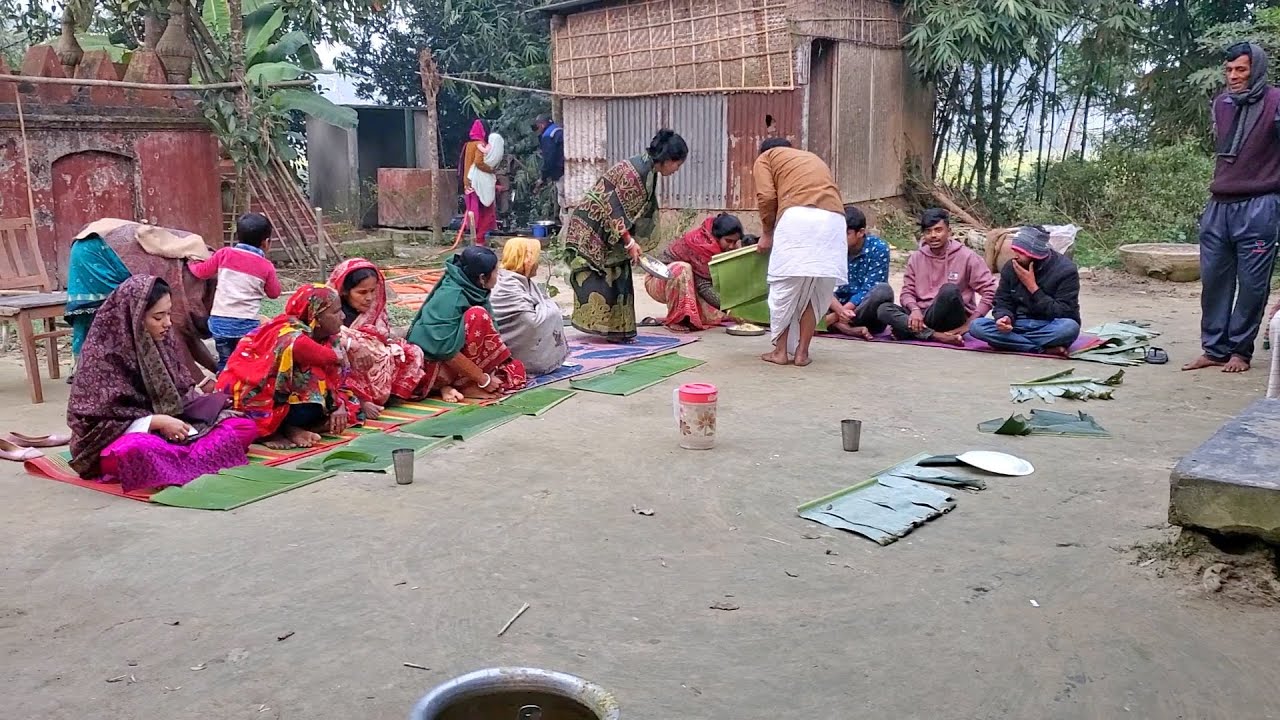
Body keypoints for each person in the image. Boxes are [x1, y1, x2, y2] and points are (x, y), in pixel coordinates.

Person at [67, 275, 257, 490]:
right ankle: (184, 462)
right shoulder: (102, 356)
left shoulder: (163, 342)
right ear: (135, 318)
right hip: (125, 439)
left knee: (243, 426)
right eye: (158, 317)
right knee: (135, 450)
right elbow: (92, 422)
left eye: (168, 314)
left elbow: (182, 394)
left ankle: (170, 467)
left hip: (175, 434)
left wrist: (206, 404)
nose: (167, 323)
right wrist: (155, 422)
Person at [1184, 43, 1280, 374]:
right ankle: (1214, 349)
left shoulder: (1276, 102)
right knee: (1213, 280)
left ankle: (1240, 351)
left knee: (1252, 284)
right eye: (1229, 70)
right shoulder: (1221, 104)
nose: (1234, 76)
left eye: (1241, 69)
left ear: (1256, 70)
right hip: (1219, 205)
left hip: (1260, 204)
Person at [563, 129, 688, 341]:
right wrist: (630, 242)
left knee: (619, 273)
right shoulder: (637, 172)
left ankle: (616, 330)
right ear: (668, 160)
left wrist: (630, 241)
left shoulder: (648, 169)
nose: (677, 169)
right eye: (678, 164)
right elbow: (614, 207)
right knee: (604, 275)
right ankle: (602, 327)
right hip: (593, 225)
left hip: (609, 227)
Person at [66, 219, 218, 381]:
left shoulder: (205, 269)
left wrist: (219, 370)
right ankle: (89, 374)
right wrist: (204, 382)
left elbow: (187, 335)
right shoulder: (187, 278)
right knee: (113, 320)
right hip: (100, 251)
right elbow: (175, 335)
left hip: (103, 241)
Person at [217, 284, 359, 449]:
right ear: (315, 317)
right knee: (312, 374)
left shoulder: (328, 337)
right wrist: (343, 353)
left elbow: (339, 378)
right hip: (248, 394)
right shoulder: (288, 332)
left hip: (283, 399)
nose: (342, 316)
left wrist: (339, 404)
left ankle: (293, 427)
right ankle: (272, 430)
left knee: (349, 407)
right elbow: (324, 356)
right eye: (335, 312)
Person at [752, 138, 847, 367]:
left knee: (784, 288)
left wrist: (767, 233)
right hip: (834, 221)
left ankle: (781, 352)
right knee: (815, 289)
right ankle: (802, 353)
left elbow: (766, 196)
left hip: (797, 219)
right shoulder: (810, 158)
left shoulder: (766, 158)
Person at [407, 246, 528, 400]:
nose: (498, 276)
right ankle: (465, 385)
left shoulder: (472, 288)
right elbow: (444, 350)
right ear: (482, 278)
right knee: (478, 316)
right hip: (431, 365)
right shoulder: (451, 297)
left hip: (451, 357)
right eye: (496, 272)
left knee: (514, 372)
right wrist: (483, 380)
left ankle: (455, 385)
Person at [328, 258, 433, 418]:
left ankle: (388, 395)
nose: (369, 298)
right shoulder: (330, 312)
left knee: (410, 352)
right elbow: (328, 337)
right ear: (343, 291)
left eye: (372, 291)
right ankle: (359, 399)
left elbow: (382, 336)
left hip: (372, 362)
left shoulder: (374, 311)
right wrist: (352, 343)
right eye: (362, 292)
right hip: (346, 365)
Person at [877, 209, 997, 346]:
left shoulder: (967, 256)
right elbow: (906, 292)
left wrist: (970, 323)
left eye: (938, 230)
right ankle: (937, 336)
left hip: (952, 317)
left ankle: (909, 330)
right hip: (923, 315)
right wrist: (914, 310)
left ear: (949, 231)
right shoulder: (916, 258)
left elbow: (990, 290)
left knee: (949, 290)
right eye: (928, 231)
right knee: (883, 309)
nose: (933, 235)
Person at [188, 212, 282, 372]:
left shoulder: (224, 254)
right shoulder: (266, 266)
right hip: (246, 327)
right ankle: (244, 390)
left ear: (237, 235)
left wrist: (191, 263)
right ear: (266, 243)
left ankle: (224, 389)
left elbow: (201, 272)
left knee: (226, 362)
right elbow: (274, 293)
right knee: (246, 363)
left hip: (219, 324)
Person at [969, 225, 1082, 355]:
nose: (1015, 255)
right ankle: (1041, 349)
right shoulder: (1010, 267)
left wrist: (1032, 287)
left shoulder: (1066, 271)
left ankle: (1011, 344)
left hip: (1048, 325)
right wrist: (1004, 318)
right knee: (976, 326)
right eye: (1015, 250)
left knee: (1069, 328)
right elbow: (1002, 301)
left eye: (1021, 252)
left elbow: (1064, 312)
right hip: (1017, 325)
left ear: (1035, 254)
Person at [643, 213, 744, 331]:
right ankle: (677, 319)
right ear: (717, 236)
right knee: (682, 268)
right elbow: (704, 286)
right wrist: (729, 309)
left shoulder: (722, 247)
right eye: (728, 241)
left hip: (691, 283)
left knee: (716, 316)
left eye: (735, 242)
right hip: (659, 280)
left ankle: (689, 316)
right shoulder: (699, 244)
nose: (732, 246)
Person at [490, 237, 570, 375]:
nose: (538, 264)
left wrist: (546, 307)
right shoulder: (507, 286)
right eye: (536, 259)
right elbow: (531, 323)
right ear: (526, 260)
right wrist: (551, 308)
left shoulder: (521, 280)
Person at [823, 204, 893, 340]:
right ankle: (846, 329)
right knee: (812, 283)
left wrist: (837, 315)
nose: (840, 238)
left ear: (860, 232)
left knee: (883, 290)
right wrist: (840, 310)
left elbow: (869, 288)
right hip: (835, 304)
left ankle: (834, 323)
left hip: (863, 310)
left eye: (846, 233)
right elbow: (825, 284)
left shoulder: (879, 248)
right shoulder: (832, 247)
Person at [459, 119, 503, 245]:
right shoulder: (481, 144)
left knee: (472, 211)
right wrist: (491, 170)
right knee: (485, 212)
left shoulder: (468, 145)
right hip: (479, 184)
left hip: (468, 183)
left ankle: (470, 239)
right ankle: (479, 240)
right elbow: (479, 162)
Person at [532, 114, 566, 221]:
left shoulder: (548, 136)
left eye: (537, 127)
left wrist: (542, 177)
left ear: (541, 125)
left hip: (560, 172)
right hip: (567, 169)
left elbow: (549, 160)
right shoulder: (558, 130)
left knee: (564, 201)